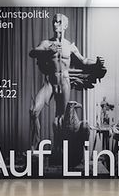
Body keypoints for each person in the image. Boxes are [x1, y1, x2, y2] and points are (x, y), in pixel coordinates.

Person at [29, 13, 105, 150]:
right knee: (33, 111)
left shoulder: (70, 46)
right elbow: (33, 53)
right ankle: (34, 147)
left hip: (64, 81)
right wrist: (48, 51)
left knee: (61, 119)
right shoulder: (46, 43)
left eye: (58, 22)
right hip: (50, 82)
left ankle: (59, 149)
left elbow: (84, 61)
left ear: (65, 25)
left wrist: (96, 63)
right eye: (54, 21)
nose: (55, 24)